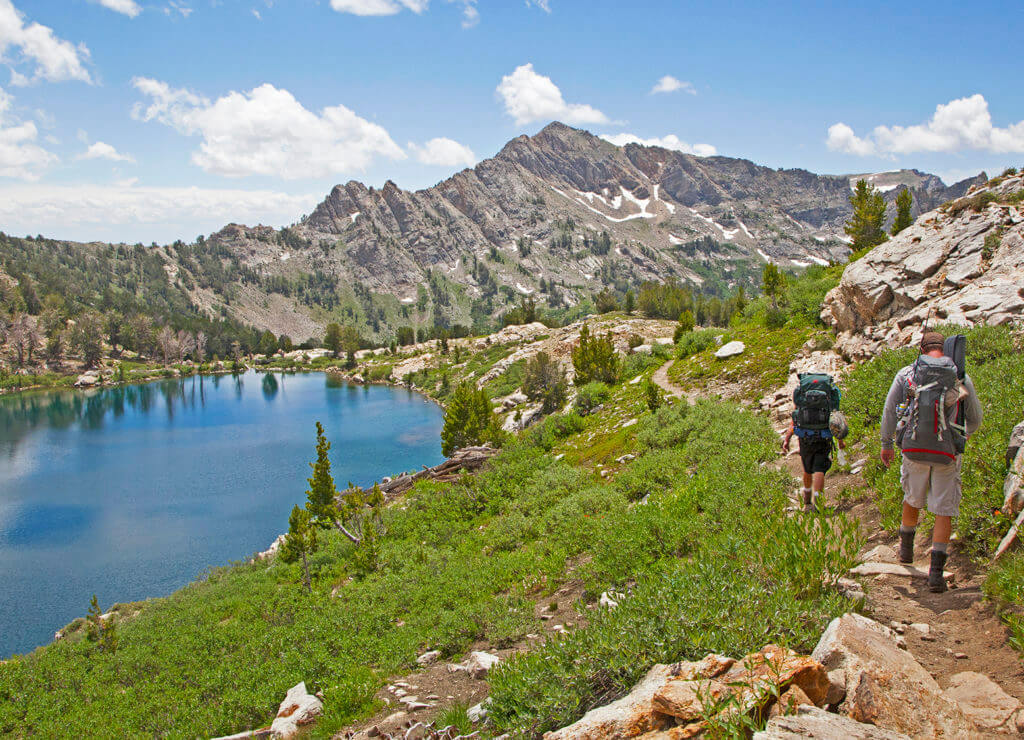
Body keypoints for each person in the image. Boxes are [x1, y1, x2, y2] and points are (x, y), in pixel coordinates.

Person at [879, 331, 983, 592]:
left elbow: (890, 410)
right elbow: (976, 418)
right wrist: (962, 436)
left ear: (922, 348)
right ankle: (936, 574)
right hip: (947, 452)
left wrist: (886, 443)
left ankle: (906, 553)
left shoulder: (908, 373)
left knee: (912, 497)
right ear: (944, 349)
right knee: (943, 508)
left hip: (913, 449)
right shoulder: (959, 376)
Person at [782, 375, 845, 512]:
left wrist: (787, 439)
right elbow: (836, 421)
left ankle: (807, 501)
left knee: (807, 469)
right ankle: (818, 502)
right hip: (824, 437)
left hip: (805, 437)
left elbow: (795, 418)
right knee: (819, 469)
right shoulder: (829, 396)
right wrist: (840, 441)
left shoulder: (801, 396)